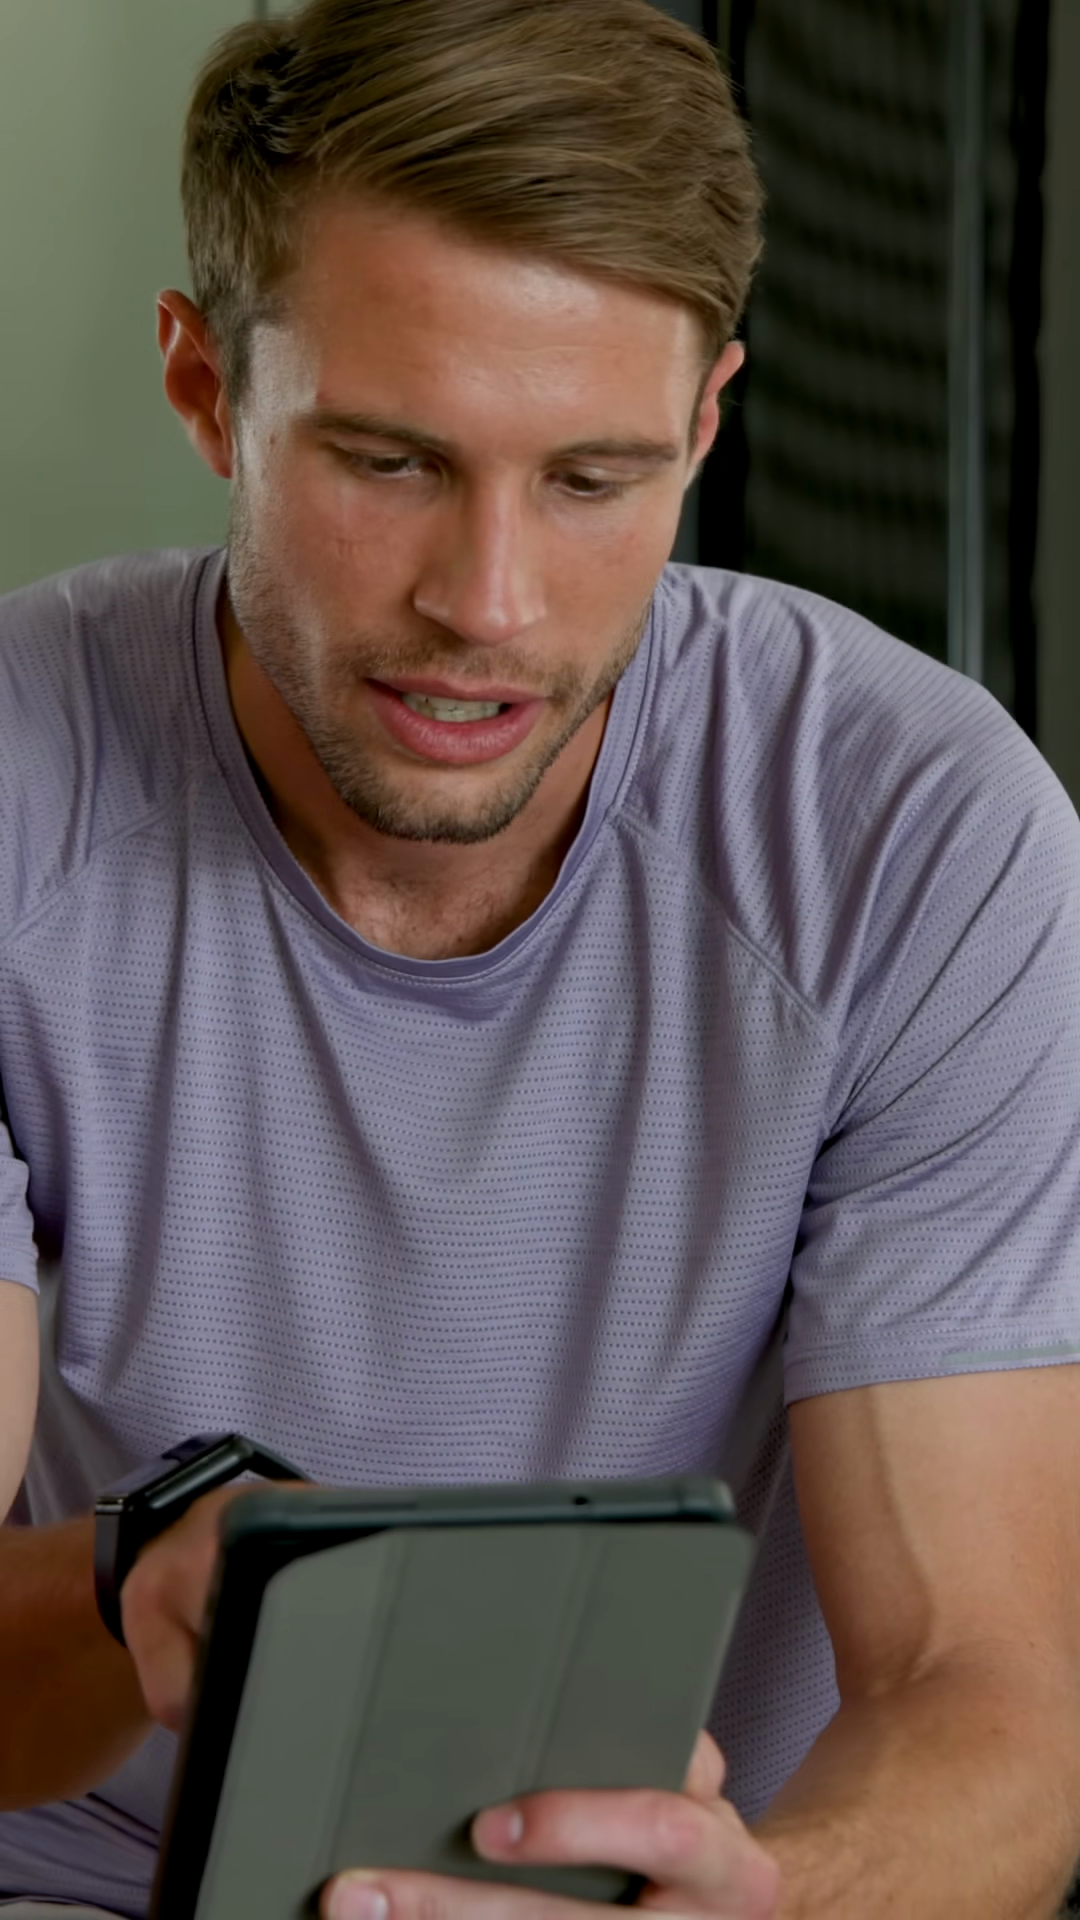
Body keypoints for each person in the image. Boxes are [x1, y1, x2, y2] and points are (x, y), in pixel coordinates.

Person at [0, 0, 1079, 1914]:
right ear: (207, 387)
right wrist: (133, 1573)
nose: (488, 607)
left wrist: (767, 1904)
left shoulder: (913, 831)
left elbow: (989, 1695)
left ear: (706, 426)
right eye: (390, 461)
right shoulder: (22, 793)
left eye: (593, 480)